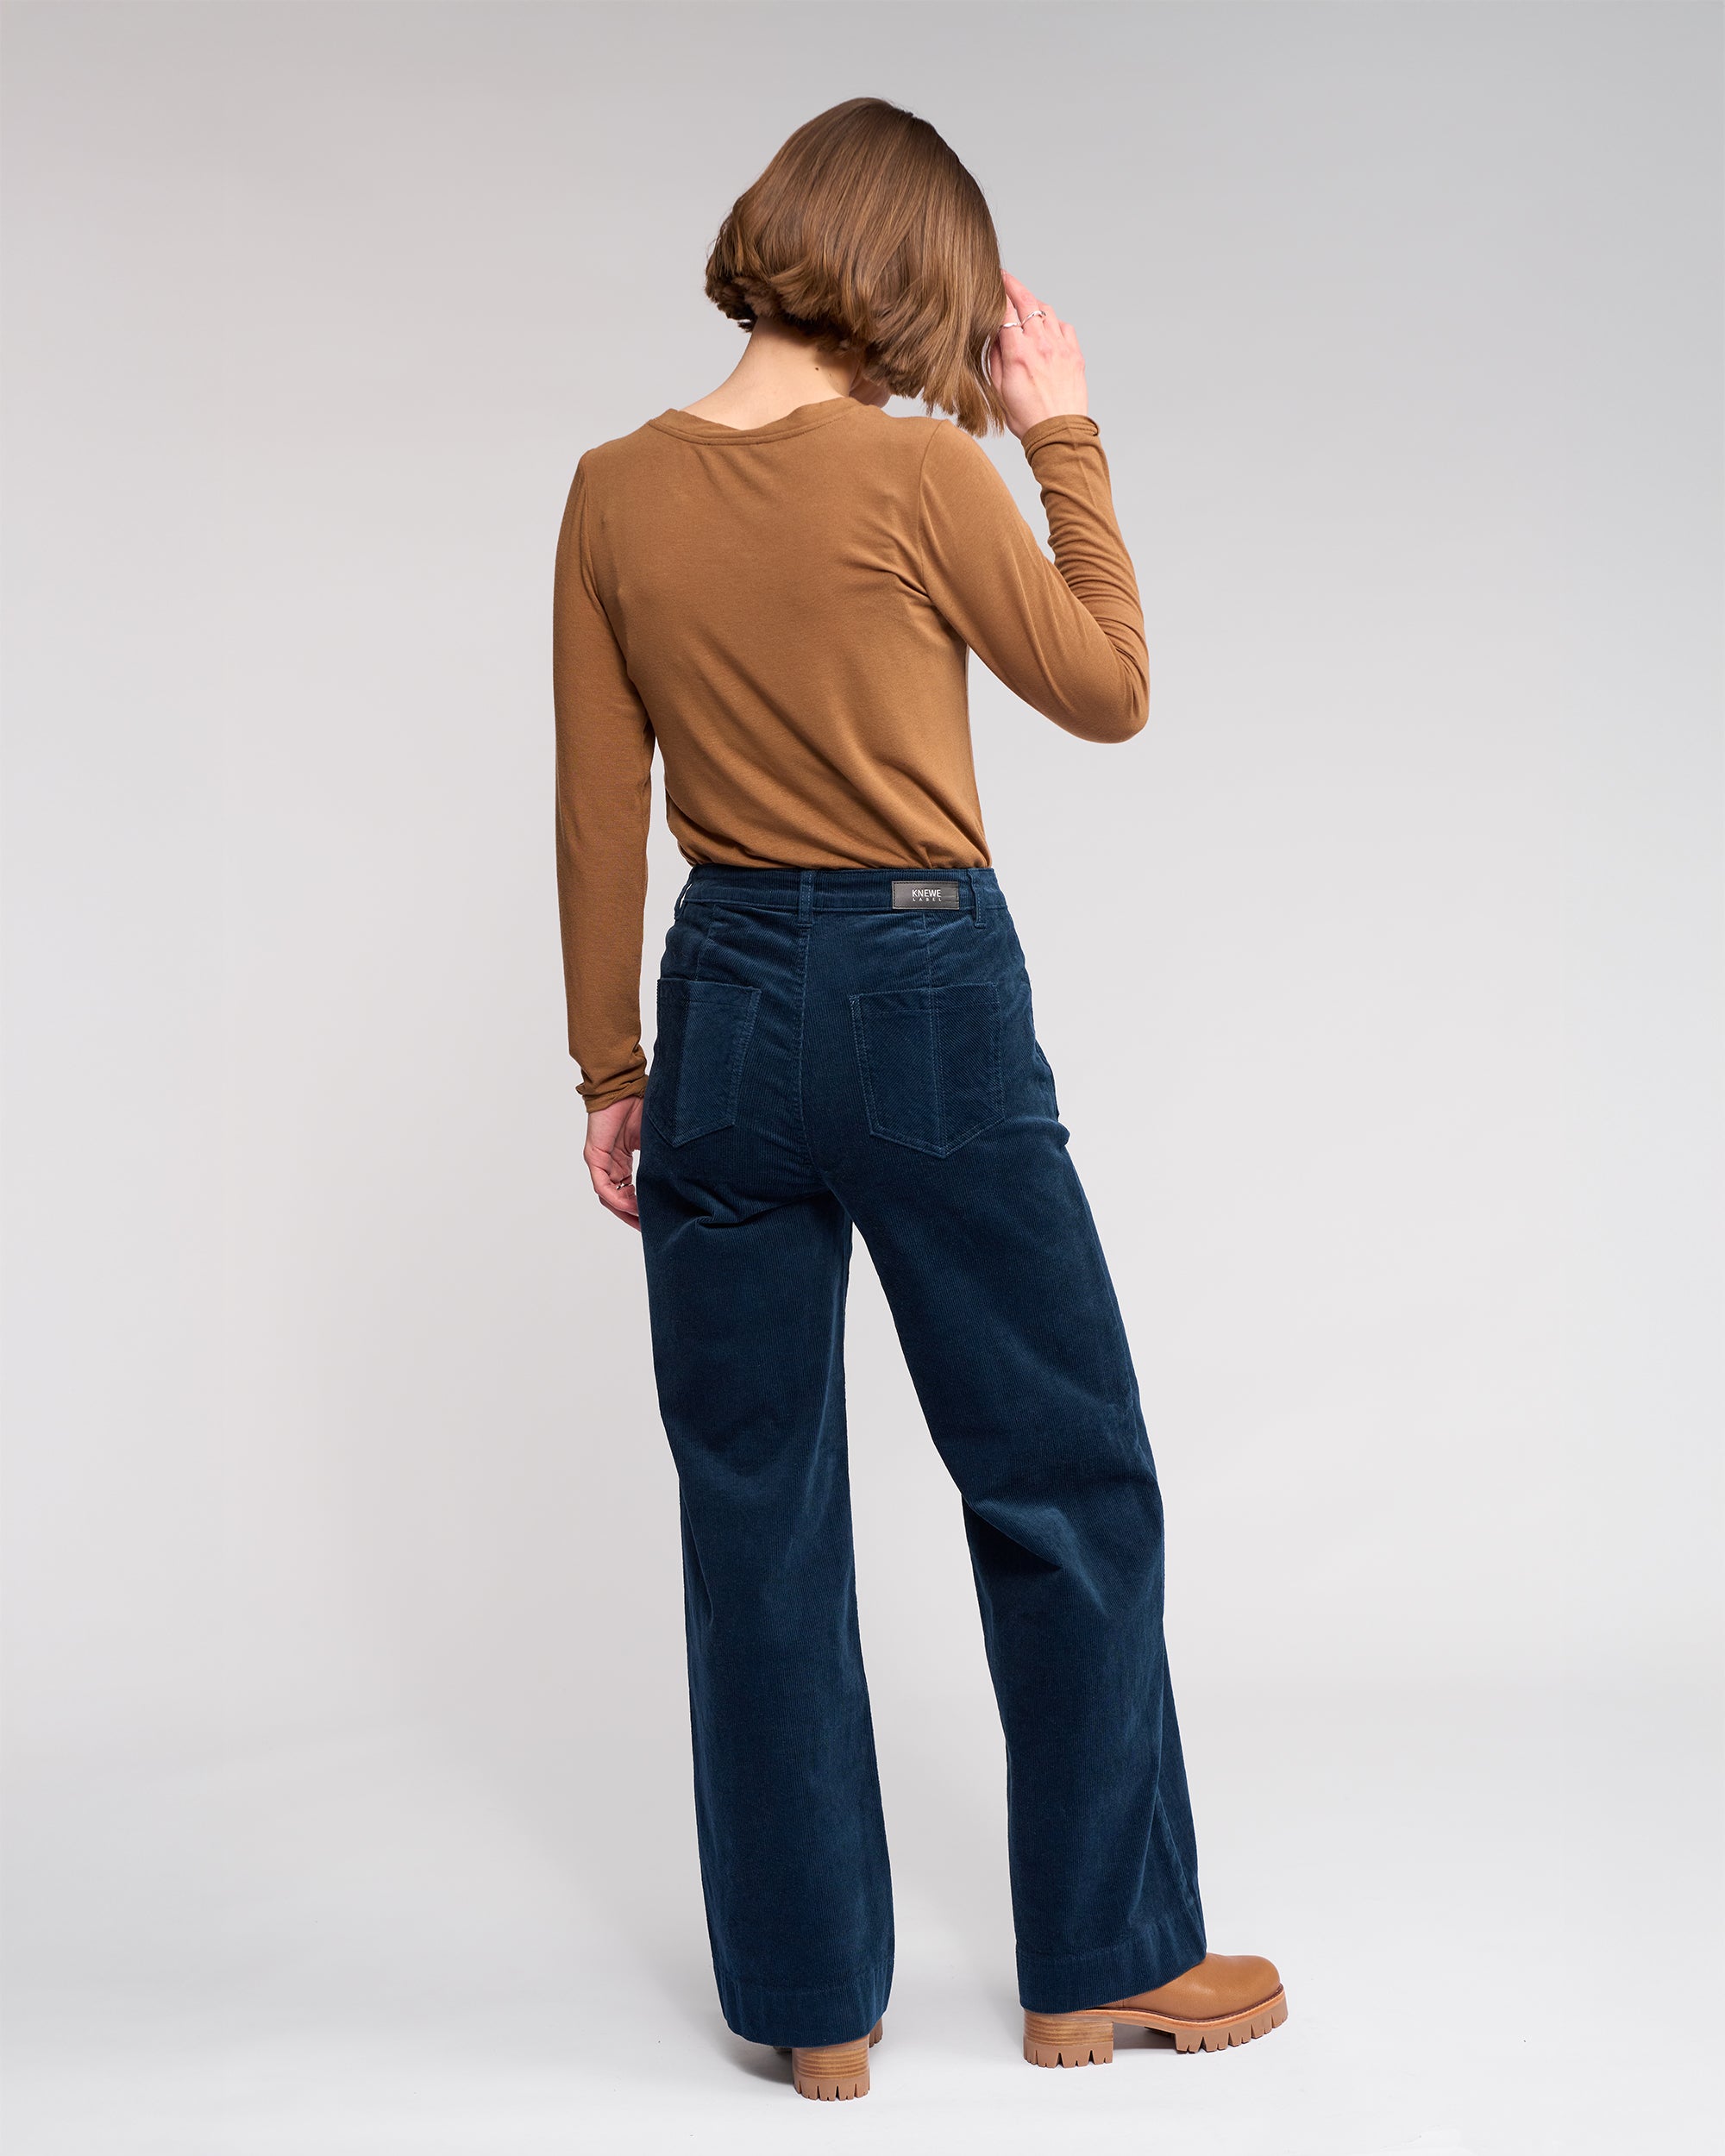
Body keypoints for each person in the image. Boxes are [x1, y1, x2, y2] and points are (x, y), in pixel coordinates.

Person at [551, 95, 1284, 2102]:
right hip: (926, 983)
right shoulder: (921, 473)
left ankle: (814, 2008)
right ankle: (1103, 1962)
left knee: (755, 1512)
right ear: (909, 278)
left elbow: (599, 808)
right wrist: (1061, 431)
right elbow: (1109, 686)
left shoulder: (611, 491)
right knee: (1059, 1469)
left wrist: (613, 1068)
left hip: (720, 1001)